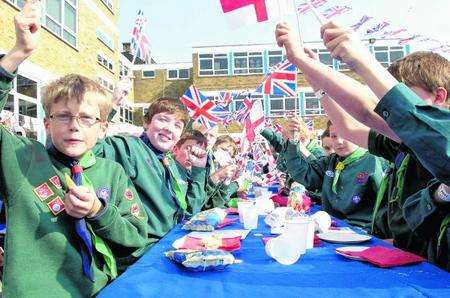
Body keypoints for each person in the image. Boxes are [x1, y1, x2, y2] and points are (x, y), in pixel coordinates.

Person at [0, 2, 149, 295]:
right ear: (47, 123)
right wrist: (16, 55)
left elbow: (135, 237)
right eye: (64, 116)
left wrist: (98, 211)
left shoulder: (112, 172)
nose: (74, 126)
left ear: (102, 128)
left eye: (86, 118)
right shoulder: (22, 158)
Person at [275, 21, 448, 266]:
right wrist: (316, 79)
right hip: (409, 259)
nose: (387, 105)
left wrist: (354, 58)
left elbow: (370, 109)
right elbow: (353, 125)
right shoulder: (407, 144)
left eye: (402, 92)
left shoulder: (439, 139)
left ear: (439, 97)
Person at [94, 95, 207, 247]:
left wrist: (199, 171)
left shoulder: (170, 164)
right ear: (146, 122)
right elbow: (89, 148)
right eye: (163, 120)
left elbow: (190, 212)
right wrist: (110, 109)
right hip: (142, 252)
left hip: (171, 242)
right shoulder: (129, 147)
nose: (169, 128)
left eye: (177, 125)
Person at [280, 119, 383, 231]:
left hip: (362, 230)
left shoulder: (373, 161)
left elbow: (384, 205)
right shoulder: (332, 161)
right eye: (334, 136)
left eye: (345, 135)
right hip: (331, 227)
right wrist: (294, 141)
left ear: (357, 134)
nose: (339, 141)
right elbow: (303, 174)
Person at [172, 130, 208, 213]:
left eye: (200, 152)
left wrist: (198, 170)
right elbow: (188, 213)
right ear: (175, 150)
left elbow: (195, 208)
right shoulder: (169, 170)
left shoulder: (196, 173)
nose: (193, 155)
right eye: (189, 148)